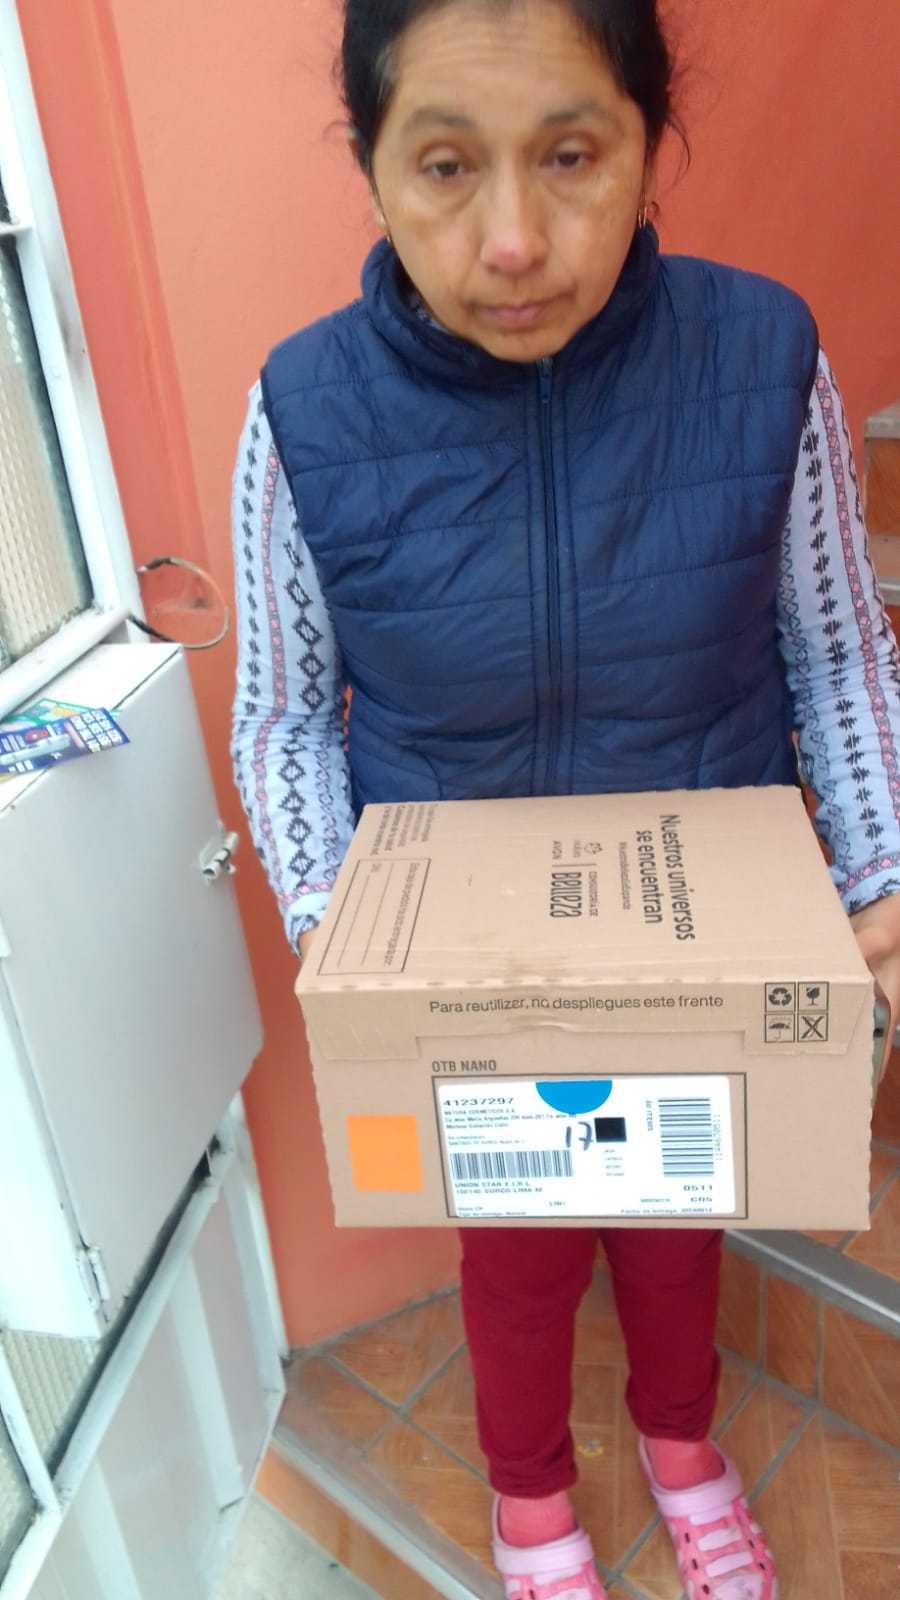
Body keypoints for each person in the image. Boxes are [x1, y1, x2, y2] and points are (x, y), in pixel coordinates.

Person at [231, 3, 900, 1595]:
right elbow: (282, 715)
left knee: (677, 1227)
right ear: (372, 163)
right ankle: (529, 1501)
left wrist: (881, 869)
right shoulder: (305, 408)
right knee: (519, 1254)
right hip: (477, 986)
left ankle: (686, 1448)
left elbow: (836, 648)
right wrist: (338, 922)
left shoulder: (764, 358)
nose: (515, 240)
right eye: (446, 166)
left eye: (573, 157)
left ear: (650, 146)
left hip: (697, 949)